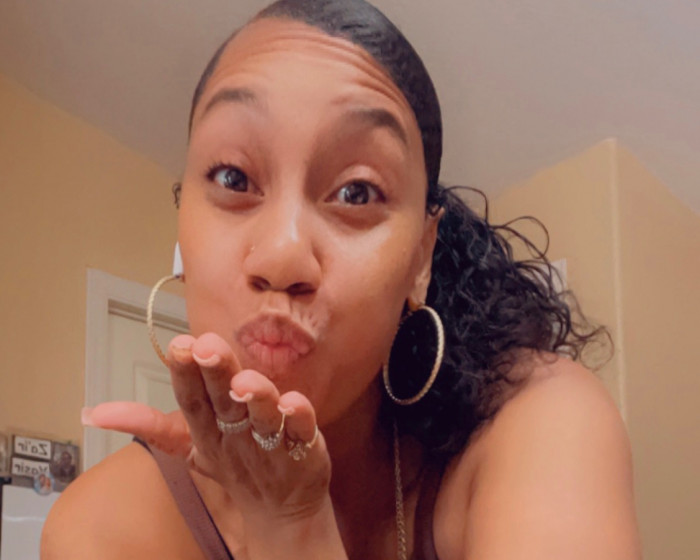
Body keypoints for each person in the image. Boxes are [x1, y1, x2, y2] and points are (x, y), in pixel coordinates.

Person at [41, 0, 641, 558]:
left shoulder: (542, 423)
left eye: (357, 192)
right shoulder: (104, 525)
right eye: (233, 178)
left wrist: (292, 526)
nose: (282, 258)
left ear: (421, 258)